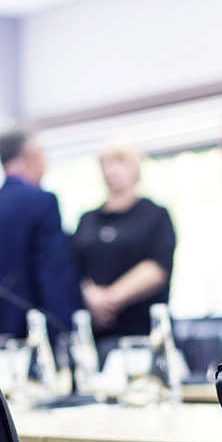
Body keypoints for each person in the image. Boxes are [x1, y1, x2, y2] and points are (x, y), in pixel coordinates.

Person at [0, 130, 81, 348]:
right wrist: (67, 336)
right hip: (36, 340)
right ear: (33, 154)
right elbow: (54, 277)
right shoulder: (41, 202)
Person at [72, 146, 176, 345]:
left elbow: (157, 268)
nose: (111, 170)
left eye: (119, 163)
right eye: (105, 164)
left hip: (144, 332)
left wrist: (111, 298)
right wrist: (91, 296)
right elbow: (75, 267)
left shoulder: (155, 215)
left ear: (135, 168)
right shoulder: (87, 220)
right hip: (97, 334)